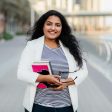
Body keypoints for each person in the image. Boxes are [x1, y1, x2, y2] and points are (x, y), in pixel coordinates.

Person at [17, 10, 88, 112]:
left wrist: (67, 83)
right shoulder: (32, 46)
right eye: (49, 24)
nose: (53, 28)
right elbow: (21, 73)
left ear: (62, 28)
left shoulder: (70, 47)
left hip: (66, 107)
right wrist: (44, 78)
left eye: (58, 25)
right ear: (43, 26)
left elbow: (83, 71)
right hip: (38, 106)